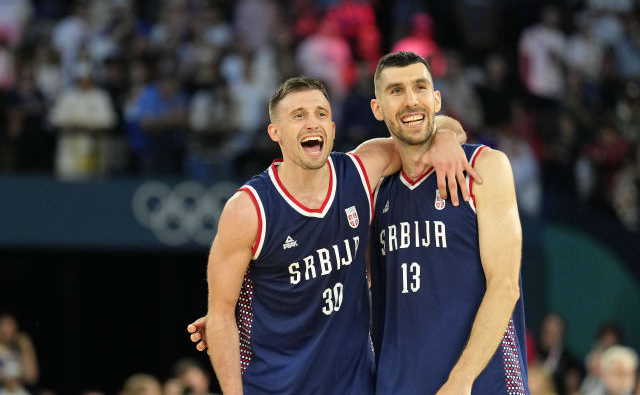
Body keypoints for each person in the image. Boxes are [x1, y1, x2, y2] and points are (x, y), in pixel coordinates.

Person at [199, 76, 478, 394]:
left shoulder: (360, 171)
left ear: (332, 128)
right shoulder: (249, 209)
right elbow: (220, 317)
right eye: (299, 115)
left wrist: (442, 140)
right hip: (275, 386)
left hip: (353, 384)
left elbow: (432, 133)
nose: (312, 123)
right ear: (275, 132)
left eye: (320, 113)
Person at [367, 51, 527, 395]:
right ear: (377, 109)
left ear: (436, 99)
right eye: (396, 91)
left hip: (482, 383)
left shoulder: (485, 166)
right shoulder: (375, 187)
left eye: (420, 87)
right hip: (399, 384)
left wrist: (461, 380)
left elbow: (505, 286)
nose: (411, 100)